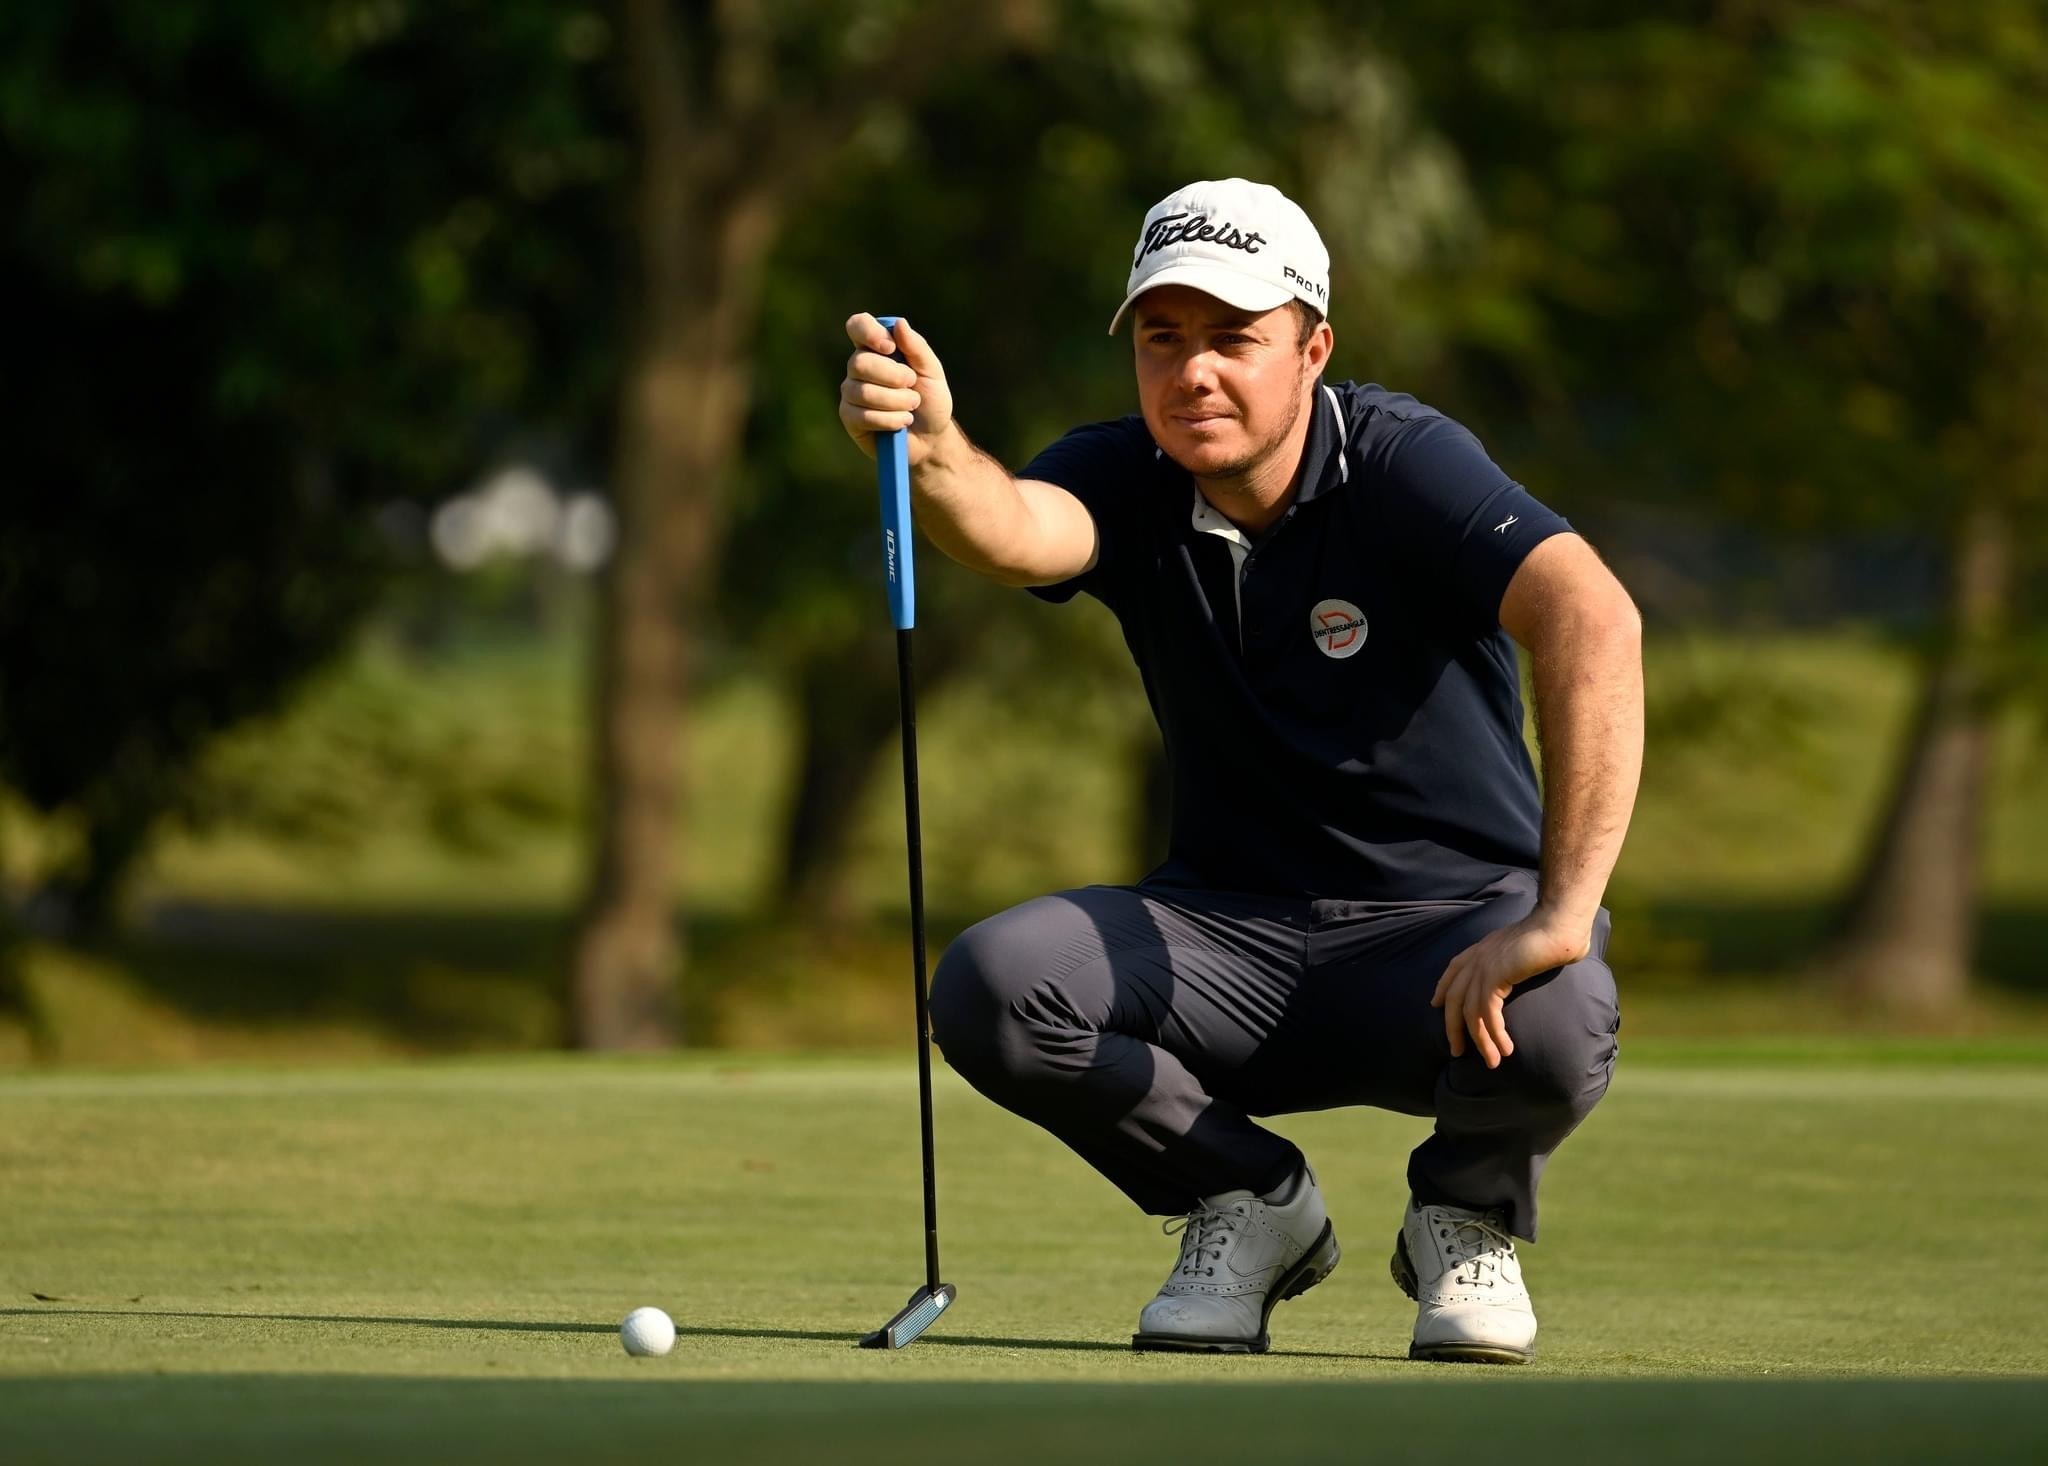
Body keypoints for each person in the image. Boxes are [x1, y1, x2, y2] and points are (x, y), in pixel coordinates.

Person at [836, 178, 1642, 1364]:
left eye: (1232, 337)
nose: (1192, 372)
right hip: (1222, 937)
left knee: (1561, 1005)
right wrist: (933, 446)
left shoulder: (1402, 461)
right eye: (1162, 339)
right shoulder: (1130, 473)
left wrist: (1559, 911)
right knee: (995, 984)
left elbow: (1591, 616)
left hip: (1440, 941)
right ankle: (1249, 1201)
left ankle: (1461, 1215)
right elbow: (1016, 530)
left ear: (1312, 349)